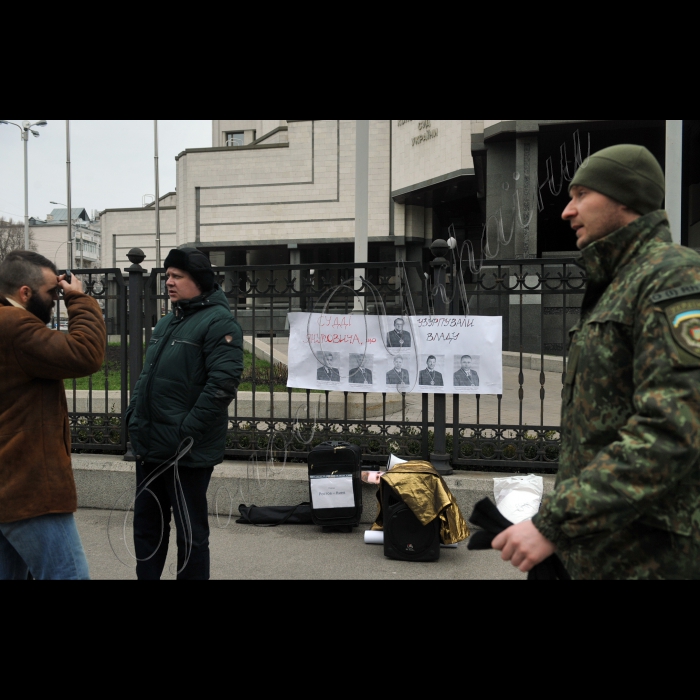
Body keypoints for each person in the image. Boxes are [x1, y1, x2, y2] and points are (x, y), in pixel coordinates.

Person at [493, 144, 700, 580]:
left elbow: (672, 429)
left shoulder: (674, 278)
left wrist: (554, 524)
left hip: (650, 556)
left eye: (582, 194)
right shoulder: (616, 283)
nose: (567, 211)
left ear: (626, 197)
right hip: (598, 547)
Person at [127, 248, 243, 580]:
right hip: (151, 444)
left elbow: (222, 386)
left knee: (190, 534)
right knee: (147, 527)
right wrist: (135, 415)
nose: (169, 282)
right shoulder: (168, 321)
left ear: (199, 281)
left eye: (178, 276)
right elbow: (146, 377)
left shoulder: (219, 322)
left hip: (186, 451)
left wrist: (185, 432)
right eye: (167, 276)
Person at [0, 251, 105, 580]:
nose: (57, 299)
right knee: (68, 575)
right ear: (25, 293)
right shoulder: (15, 326)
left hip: (7, 484)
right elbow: (85, 353)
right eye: (52, 293)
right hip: (28, 488)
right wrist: (80, 298)